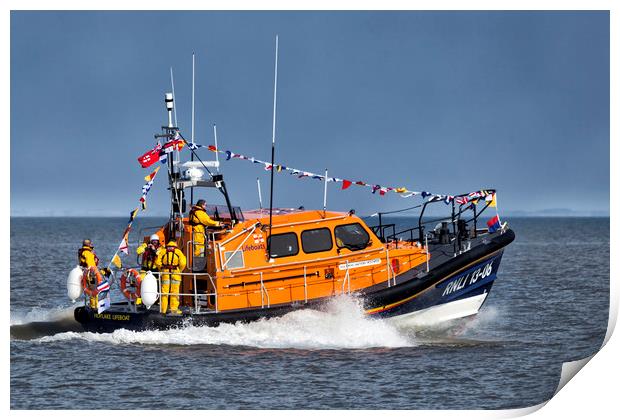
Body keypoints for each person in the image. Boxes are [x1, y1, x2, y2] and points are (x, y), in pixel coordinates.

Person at [156, 240, 187, 315]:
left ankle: (163, 310)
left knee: (164, 293)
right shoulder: (178, 252)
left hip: (165, 273)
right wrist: (179, 270)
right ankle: (173, 309)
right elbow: (183, 263)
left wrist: (162, 269)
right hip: (175, 273)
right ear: (175, 243)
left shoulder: (163, 251)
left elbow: (157, 262)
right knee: (174, 292)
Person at [78, 239, 110, 309]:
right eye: (91, 244)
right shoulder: (87, 253)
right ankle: (94, 308)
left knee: (94, 291)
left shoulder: (84, 252)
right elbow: (91, 265)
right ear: (89, 244)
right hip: (91, 274)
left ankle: (94, 306)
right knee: (94, 292)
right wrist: (95, 272)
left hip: (87, 273)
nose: (92, 245)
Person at [135, 234, 164, 305]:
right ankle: (139, 300)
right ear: (150, 241)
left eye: (156, 241)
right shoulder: (145, 245)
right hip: (145, 269)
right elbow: (138, 251)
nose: (154, 242)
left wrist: (154, 250)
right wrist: (145, 248)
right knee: (140, 283)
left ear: (158, 241)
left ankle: (157, 300)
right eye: (153, 241)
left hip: (155, 270)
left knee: (158, 284)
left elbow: (159, 254)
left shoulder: (161, 248)